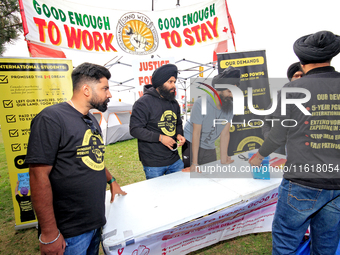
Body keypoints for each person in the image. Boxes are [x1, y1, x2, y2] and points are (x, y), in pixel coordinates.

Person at [249, 31, 340, 254]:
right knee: (326, 246)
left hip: (302, 181)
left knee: (285, 243)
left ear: (302, 61)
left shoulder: (292, 89)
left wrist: (259, 155)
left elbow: (279, 134)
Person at [25, 62, 127, 255]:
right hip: (70, 231)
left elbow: (93, 158)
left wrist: (111, 180)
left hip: (95, 221)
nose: (110, 94)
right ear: (86, 90)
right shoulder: (51, 118)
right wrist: (49, 234)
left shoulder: (91, 119)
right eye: (105, 88)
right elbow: (38, 177)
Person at [130, 63, 185, 179]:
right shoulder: (143, 103)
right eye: (170, 82)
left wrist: (179, 134)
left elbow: (178, 122)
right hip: (153, 162)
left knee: (180, 190)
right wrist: (160, 138)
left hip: (174, 159)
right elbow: (135, 129)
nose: (173, 85)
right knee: (158, 195)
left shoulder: (174, 103)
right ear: (160, 83)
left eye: (174, 82)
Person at [182, 66, 240, 172]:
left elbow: (225, 133)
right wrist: (194, 163)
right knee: (193, 176)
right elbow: (196, 133)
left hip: (209, 144)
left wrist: (224, 158)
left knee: (211, 173)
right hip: (191, 141)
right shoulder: (201, 103)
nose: (232, 95)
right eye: (229, 91)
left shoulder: (230, 106)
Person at [261, 62, 304, 155]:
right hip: (281, 147)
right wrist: (268, 136)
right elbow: (266, 122)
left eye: (302, 76)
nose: (300, 78)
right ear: (291, 78)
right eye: (296, 76)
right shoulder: (280, 97)